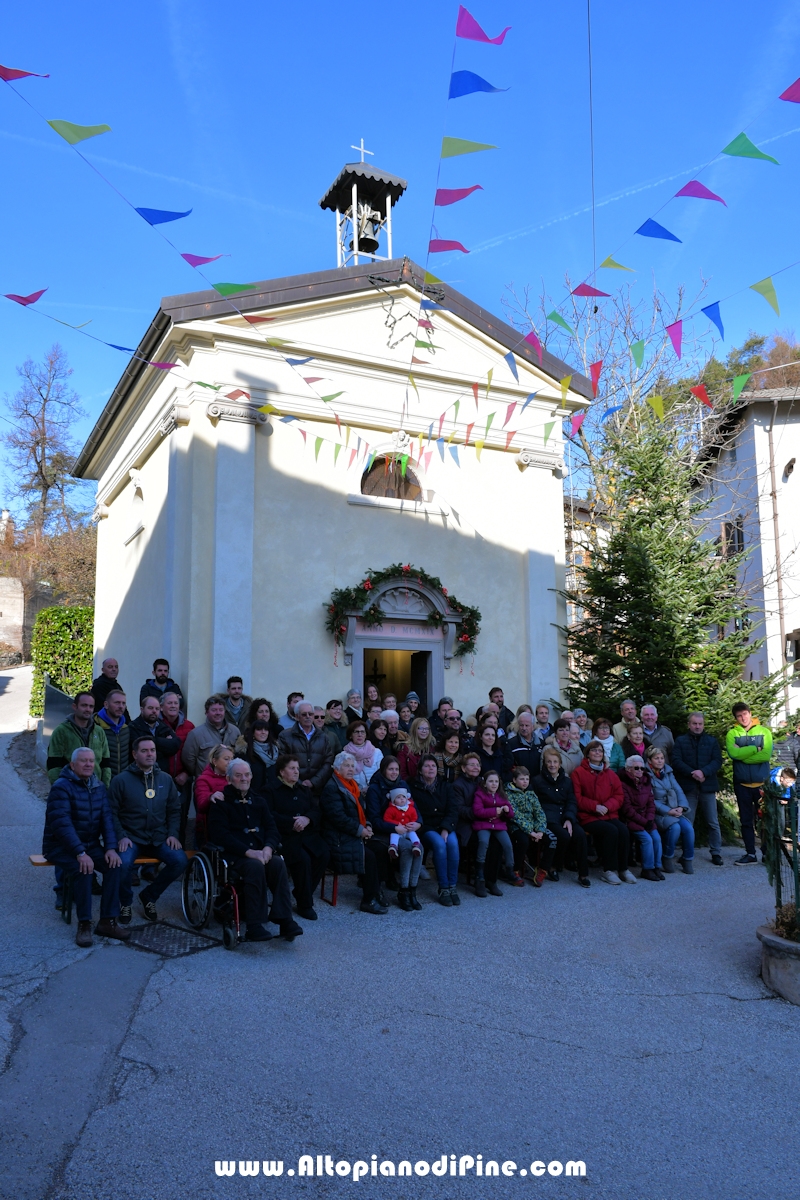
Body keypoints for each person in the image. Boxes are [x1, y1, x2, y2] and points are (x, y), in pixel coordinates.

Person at [208, 758, 303, 942]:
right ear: (229, 778)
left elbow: (271, 828)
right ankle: (254, 925)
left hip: (261, 852)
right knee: (255, 867)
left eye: (247, 774)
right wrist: (249, 852)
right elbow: (220, 835)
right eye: (238, 775)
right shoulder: (221, 802)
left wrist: (268, 848)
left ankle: (285, 920)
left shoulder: (258, 800)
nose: (244, 778)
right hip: (235, 856)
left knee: (277, 863)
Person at [42, 747, 129, 947]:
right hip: (60, 847)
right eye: (83, 761)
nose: (89, 764)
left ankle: (107, 921)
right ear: (72, 765)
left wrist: (110, 848)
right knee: (84, 870)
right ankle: (84, 924)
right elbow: (61, 824)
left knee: (115, 865)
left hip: (89, 846)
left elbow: (107, 819)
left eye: (91, 761)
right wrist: (80, 852)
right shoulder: (61, 787)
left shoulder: (98, 786)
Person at [109, 735, 189, 923]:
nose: (149, 754)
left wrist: (172, 834)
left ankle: (149, 896)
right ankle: (125, 902)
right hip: (131, 837)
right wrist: (121, 836)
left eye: (152, 750)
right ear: (134, 754)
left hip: (159, 837)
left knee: (180, 860)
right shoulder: (121, 780)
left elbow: (174, 810)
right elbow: (111, 813)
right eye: (144, 751)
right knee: (123, 864)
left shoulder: (166, 780)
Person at [320, 751, 389, 914]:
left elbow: (363, 812)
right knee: (369, 856)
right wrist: (361, 831)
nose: (351, 769)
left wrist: (369, 826)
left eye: (352, 766)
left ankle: (376, 890)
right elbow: (338, 818)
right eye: (346, 766)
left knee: (380, 848)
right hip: (338, 838)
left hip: (354, 834)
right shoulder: (332, 787)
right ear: (337, 768)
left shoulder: (352, 785)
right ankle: (368, 900)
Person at [264, 754, 330, 921]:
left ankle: (301, 892)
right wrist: (291, 822)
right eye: (291, 768)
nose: (296, 772)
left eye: (297, 768)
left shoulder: (303, 790)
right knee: (303, 860)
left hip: (307, 834)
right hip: (284, 836)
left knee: (324, 854)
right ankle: (305, 904)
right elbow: (268, 815)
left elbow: (316, 810)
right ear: (281, 772)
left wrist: (307, 819)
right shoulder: (270, 790)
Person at [572, 740, 636, 885]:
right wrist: (595, 807)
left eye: (600, 751)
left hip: (608, 813)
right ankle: (609, 870)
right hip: (588, 816)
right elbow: (577, 797)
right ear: (587, 754)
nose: (597, 753)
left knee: (624, 830)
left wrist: (607, 806)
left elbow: (619, 795)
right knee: (611, 831)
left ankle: (623, 869)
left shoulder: (610, 773)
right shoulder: (579, 773)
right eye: (594, 750)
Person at [366, 756, 423, 909]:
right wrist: (393, 828)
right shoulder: (375, 788)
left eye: (396, 769)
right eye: (390, 769)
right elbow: (374, 818)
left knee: (419, 848)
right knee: (406, 847)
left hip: (405, 828)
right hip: (385, 830)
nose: (394, 772)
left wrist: (418, 823)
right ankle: (403, 891)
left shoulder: (403, 784)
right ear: (383, 770)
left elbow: (413, 807)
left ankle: (412, 889)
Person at [532, 746, 590, 887]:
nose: (552, 765)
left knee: (580, 835)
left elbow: (571, 801)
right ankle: (553, 866)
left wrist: (569, 819)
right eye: (549, 762)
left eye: (555, 762)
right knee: (563, 836)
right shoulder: (537, 781)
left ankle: (583, 874)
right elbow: (534, 803)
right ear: (545, 764)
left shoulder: (567, 781)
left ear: (559, 764)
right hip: (548, 818)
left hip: (565, 816)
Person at [671, 712, 724, 866]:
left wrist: (704, 772)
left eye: (700, 724)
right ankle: (687, 853)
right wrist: (692, 773)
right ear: (689, 724)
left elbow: (717, 761)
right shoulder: (680, 741)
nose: (697, 726)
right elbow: (676, 760)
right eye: (694, 723)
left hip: (707, 786)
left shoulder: (711, 741)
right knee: (688, 822)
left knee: (712, 822)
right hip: (688, 786)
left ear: (703, 725)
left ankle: (716, 852)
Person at [726, 702, 773, 865]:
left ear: (750, 713)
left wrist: (743, 754)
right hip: (742, 785)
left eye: (745, 714)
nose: (743, 717)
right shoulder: (732, 734)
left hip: (761, 786)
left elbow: (765, 755)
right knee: (746, 821)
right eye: (739, 715)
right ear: (736, 718)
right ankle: (750, 854)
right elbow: (733, 754)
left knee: (765, 821)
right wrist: (754, 748)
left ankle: (768, 853)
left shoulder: (764, 732)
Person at [410, 754, 460, 906]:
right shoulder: (413, 787)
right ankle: (443, 887)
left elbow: (453, 809)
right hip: (426, 826)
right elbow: (414, 810)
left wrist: (445, 828)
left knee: (452, 844)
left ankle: (452, 886)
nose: (430, 769)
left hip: (445, 824)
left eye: (433, 766)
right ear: (420, 770)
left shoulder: (446, 785)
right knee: (439, 844)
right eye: (426, 766)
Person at [472, 769, 521, 894]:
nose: (494, 784)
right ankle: (479, 869)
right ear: (484, 783)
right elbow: (477, 811)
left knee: (507, 844)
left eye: (496, 781)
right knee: (483, 842)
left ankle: (510, 869)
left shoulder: (502, 795)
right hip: (483, 825)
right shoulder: (479, 794)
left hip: (498, 826)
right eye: (491, 781)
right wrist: (495, 811)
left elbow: (511, 813)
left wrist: (506, 810)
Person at [506, 764, 557, 886]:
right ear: (514, 780)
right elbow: (515, 815)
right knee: (523, 841)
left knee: (552, 839)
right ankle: (515, 870)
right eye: (522, 779)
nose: (525, 782)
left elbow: (539, 812)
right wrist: (530, 832)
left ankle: (542, 870)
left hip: (534, 827)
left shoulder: (531, 794)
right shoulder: (509, 794)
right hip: (516, 826)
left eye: (527, 779)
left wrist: (539, 830)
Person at [646, 746, 694, 874]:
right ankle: (667, 857)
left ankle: (687, 859)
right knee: (675, 828)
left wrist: (681, 807)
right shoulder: (646, 775)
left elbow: (678, 790)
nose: (660, 761)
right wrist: (668, 811)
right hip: (659, 812)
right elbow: (650, 799)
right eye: (656, 758)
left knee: (688, 828)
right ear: (650, 761)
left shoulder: (668, 772)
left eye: (662, 758)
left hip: (674, 810)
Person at [47, 691, 110, 785]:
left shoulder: (99, 731)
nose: (88, 709)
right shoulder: (61, 731)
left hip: (95, 789)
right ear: (74, 706)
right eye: (84, 705)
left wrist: (105, 788)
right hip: (70, 789)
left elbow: (106, 763)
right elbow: (53, 764)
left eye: (91, 706)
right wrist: (60, 789)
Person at [619, 755, 663, 881]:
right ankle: (647, 869)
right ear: (628, 769)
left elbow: (651, 803)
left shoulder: (646, 781)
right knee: (647, 839)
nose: (640, 771)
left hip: (646, 818)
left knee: (656, 838)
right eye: (636, 768)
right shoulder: (623, 784)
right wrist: (644, 821)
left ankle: (657, 867)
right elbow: (626, 809)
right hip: (631, 820)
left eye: (642, 768)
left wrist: (649, 819)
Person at [277, 701, 334, 795]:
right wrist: (299, 783)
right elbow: (282, 762)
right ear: (297, 716)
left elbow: (328, 762)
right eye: (304, 714)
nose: (308, 716)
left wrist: (313, 782)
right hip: (292, 789)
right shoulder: (285, 736)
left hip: (317, 790)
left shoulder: (323, 737)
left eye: (311, 714)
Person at [182, 695, 239, 776]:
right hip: (206, 783)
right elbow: (188, 760)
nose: (218, 713)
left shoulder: (235, 731)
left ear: (225, 711)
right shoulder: (196, 734)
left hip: (230, 781)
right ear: (206, 712)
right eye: (214, 710)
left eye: (221, 710)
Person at [193, 743, 234, 845]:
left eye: (232, 759)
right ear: (214, 761)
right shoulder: (203, 779)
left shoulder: (234, 778)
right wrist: (210, 797)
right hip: (209, 828)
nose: (231, 762)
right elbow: (201, 805)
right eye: (226, 759)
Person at [129, 696, 181, 774]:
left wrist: (153, 740)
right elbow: (138, 750)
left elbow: (175, 745)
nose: (154, 711)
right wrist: (165, 745)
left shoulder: (163, 726)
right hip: (139, 773)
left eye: (157, 709)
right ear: (142, 709)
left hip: (161, 774)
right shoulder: (133, 727)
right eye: (150, 708)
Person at [95, 689, 130, 778]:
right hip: (99, 782)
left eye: (123, 703)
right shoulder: (94, 726)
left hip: (122, 782)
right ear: (106, 705)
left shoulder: (126, 729)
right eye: (117, 703)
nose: (121, 706)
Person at [342, 719, 382, 794]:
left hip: (375, 792)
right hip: (354, 793)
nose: (360, 735)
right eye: (356, 732)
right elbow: (343, 778)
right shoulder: (344, 755)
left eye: (362, 732)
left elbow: (381, 775)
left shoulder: (377, 752)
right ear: (350, 735)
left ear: (366, 734)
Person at [382, 786, 423, 858]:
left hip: (408, 829)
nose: (402, 799)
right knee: (394, 835)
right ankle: (393, 847)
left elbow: (415, 817)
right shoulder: (391, 809)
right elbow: (386, 819)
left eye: (403, 797)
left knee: (413, 834)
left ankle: (416, 845)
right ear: (393, 800)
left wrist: (411, 823)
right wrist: (397, 824)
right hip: (398, 829)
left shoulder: (411, 808)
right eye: (398, 797)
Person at [244, 719, 280, 793]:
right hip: (254, 794)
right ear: (253, 733)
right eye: (259, 729)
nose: (263, 732)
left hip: (273, 794)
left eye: (266, 730)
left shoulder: (276, 750)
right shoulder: (245, 752)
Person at [397, 717, 435, 781]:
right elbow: (401, 772)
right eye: (421, 728)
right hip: (411, 784)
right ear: (414, 730)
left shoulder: (432, 747)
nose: (424, 731)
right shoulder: (404, 749)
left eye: (426, 728)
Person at [506, 711, 542, 778]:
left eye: (527, 725)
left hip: (538, 783)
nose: (524, 728)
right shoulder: (511, 744)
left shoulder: (541, 744)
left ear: (533, 727)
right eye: (521, 725)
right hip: (519, 784)